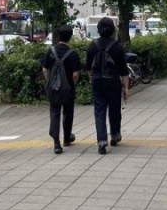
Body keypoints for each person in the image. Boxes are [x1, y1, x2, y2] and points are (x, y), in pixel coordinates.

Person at [86, 17, 129, 155]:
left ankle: (102, 141)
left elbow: (88, 67)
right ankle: (115, 135)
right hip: (113, 83)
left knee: (99, 111)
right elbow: (123, 70)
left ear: (98, 29)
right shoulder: (117, 47)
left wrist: (91, 80)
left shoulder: (93, 46)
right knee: (114, 110)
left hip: (98, 82)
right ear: (113, 30)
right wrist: (126, 88)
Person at [42, 25, 82, 154]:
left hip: (54, 88)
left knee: (55, 113)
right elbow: (76, 74)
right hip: (68, 88)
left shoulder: (50, 51)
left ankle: (56, 143)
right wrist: (71, 84)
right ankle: (67, 137)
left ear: (58, 36)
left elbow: (45, 69)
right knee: (68, 112)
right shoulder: (73, 54)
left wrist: (50, 81)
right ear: (70, 37)